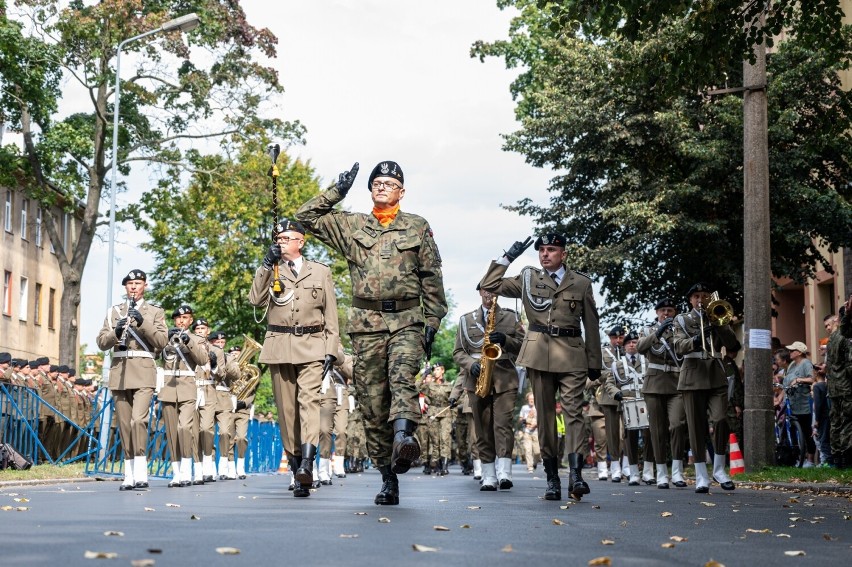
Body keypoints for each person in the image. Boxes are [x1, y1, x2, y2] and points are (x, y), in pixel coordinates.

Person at [296, 161, 448, 506]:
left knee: (402, 377)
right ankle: (388, 476)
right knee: (371, 402)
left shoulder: (417, 226)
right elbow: (304, 217)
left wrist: (433, 321)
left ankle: (405, 437)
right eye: (377, 183)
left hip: (407, 318)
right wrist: (337, 191)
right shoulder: (352, 225)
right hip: (366, 325)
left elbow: (432, 278)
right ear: (370, 190)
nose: (382, 187)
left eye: (389, 183)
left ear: (401, 191)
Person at [479, 232, 602, 501]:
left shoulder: (580, 283)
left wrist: (595, 362)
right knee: (545, 418)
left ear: (563, 254)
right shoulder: (528, 278)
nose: (545, 254)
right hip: (539, 354)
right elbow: (488, 283)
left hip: (572, 354)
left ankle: (577, 475)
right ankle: (552, 479)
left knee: (574, 415)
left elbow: (591, 325)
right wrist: (508, 257)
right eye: (542, 250)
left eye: (551, 250)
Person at [249, 218, 340, 498]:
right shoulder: (271, 268)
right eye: (278, 238)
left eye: (287, 238)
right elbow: (255, 300)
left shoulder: (320, 271)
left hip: (312, 345)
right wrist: (266, 265)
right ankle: (296, 465)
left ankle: (309, 465)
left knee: (308, 402)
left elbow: (331, 314)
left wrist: (331, 349)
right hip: (279, 345)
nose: (281, 242)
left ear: (301, 242)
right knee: (287, 412)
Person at [96, 269, 168, 490]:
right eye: (130, 284)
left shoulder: (155, 311)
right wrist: (116, 332)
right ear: (125, 287)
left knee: (139, 420)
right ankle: (128, 473)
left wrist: (143, 322)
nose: (133, 287)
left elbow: (162, 341)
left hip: (144, 370)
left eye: (138, 283)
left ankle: (141, 470)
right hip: (120, 371)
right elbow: (101, 342)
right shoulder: (114, 312)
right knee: (125, 424)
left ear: (145, 285)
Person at [452, 285, 525, 490]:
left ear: (498, 293)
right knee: (482, 429)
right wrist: (470, 365)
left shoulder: (511, 317)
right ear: (479, 292)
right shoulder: (466, 320)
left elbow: (523, 344)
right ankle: (488, 475)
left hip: (504, 377)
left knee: (502, 424)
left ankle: (504, 473)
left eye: (492, 290)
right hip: (476, 378)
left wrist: (506, 340)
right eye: (485, 290)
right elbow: (458, 352)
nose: (488, 294)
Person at [671, 283, 740, 493]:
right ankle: (702, 476)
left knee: (721, 419)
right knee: (696, 427)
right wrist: (695, 339)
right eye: (697, 297)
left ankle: (719, 469)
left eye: (704, 296)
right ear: (690, 300)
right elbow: (678, 346)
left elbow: (733, 345)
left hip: (715, 373)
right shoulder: (682, 319)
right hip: (692, 374)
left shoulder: (717, 315)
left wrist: (720, 325)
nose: (701, 300)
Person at [637, 298, 688, 489]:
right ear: (657, 313)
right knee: (657, 430)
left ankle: (677, 472)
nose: (666, 314)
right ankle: (661, 474)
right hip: (654, 385)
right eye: (663, 310)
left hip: (676, 384)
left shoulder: (680, 331)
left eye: (670, 310)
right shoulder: (648, 330)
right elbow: (641, 347)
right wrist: (658, 332)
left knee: (677, 425)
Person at [158, 305, 207, 487]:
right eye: (178, 318)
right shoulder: (167, 338)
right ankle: (176, 473)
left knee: (184, 427)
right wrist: (163, 338)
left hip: (187, 387)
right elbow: (155, 353)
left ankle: (187, 469)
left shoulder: (197, 339)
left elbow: (202, 360)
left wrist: (188, 341)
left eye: (185, 318)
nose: (181, 321)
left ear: (190, 320)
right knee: (171, 433)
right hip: (168, 387)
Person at [604, 331, 650, 486]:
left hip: (645, 403)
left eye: (635, 342)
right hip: (627, 403)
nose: (632, 344)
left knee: (648, 435)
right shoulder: (617, 365)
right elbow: (609, 383)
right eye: (629, 343)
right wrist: (616, 393)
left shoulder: (647, 361)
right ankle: (634, 472)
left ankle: (649, 471)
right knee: (630, 437)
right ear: (624, 347)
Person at [590, 326, 625, 482]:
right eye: (614, 338)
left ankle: (622, 466)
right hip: (602, 401)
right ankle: (602, 468)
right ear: (609, 338)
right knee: (602, 438)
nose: (618, 341)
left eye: (620, 337)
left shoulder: (627, 353)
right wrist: (603, 378)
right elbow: (590, 378)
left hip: (623, 398)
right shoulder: (602, 353)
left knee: (622, 435)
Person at [207, 330, 240, 480]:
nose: (220, 345)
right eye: (216, 343)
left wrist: (225, 362)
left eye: (222, 342)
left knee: (225, 432)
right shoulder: (204, 355)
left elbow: (237, 375)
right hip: (207, 394)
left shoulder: (228, 357)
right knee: (207, 432)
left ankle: (225, 463)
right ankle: (211, 465)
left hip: (223, 396)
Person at [318, 347, 353, 484]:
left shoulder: (345, 356)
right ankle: (322, 466)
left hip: (341, 395)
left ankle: (338, 462)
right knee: (324, 430)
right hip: (325, 390)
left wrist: (339, 361)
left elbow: (352, 373)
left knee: (342, 431)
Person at [826, 295, 852, 468]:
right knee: (847, 421)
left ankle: (836, 457)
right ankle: (846, 455)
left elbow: (830, 364)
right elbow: (849, 364)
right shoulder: (844, 338)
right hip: (846, 386)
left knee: (835, 422)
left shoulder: (831, 340)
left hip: (833, 386)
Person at [783, 340, 816, 467]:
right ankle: (796, 458)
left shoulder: (806, 363)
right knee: (792, 431)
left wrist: (798, 379)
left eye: (792, 351)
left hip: (803, 402)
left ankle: (810, 460)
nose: (790, 353)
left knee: (806, 432)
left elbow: (811, 378)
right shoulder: (791, 365)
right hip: (792, 403)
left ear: (799, 352)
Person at [518, 392, 541, 473]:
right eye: (530, 399)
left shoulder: (538, 407)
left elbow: (542, 419)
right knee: (528, 450)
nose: (531, 400)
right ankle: (530, 467)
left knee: (537, 451)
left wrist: (536, 424)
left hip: (536, 432)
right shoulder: (524, 408)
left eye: (533, 399)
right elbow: (520, 419)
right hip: (527, 432)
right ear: (527, 399)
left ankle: (535, 463)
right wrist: (525, 421)